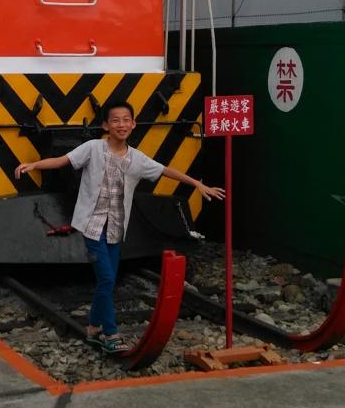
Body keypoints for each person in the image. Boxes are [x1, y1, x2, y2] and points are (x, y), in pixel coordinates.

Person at [14, 99, 224, 353]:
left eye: (126, 120)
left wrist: (197, 184)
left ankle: (93, 327)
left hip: (115, 229)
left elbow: (166, 171)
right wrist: (34, 165)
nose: (121, 125)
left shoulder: (138, 159)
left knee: (108, 280)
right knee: (105, 278)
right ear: (106, 125)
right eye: (115, 120)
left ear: (133, 124)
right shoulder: (92, 148)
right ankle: (111, 333)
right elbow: (62, 160)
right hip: (92, 226)